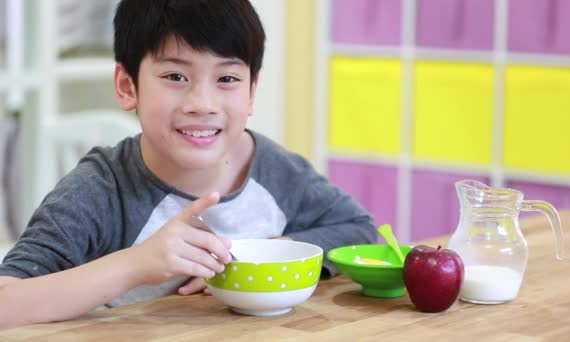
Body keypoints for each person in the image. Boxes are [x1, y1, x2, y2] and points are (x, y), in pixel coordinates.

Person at [0, 0, 376, 329]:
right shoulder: (101, 189)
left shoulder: (274, 169)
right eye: (175, 76)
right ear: (127, 86)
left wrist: (275, 250)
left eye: (227, 78)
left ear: (251, 93)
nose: (202, 102)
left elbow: (358, 229)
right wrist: (137, 265)